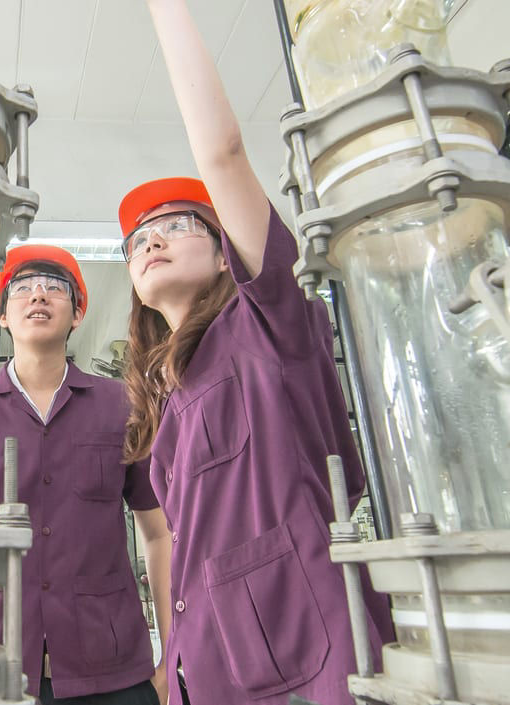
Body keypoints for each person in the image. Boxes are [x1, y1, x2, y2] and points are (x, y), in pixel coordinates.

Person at [117, 2, 395, 703]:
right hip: (206, 665)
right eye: (135, 242)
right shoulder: (168, 395)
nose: (149, 241)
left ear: (224, 257)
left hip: (308, 657)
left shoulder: (268, 322)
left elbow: (223, 154)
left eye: (177, 225)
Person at [0, 245, 174, 704]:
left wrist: (170, 658)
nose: (39, 296)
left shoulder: (123, 405)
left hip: (110, 669)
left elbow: (158, 533)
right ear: (3, 316)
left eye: (55, 289)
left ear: (77, 315)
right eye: (24, 289)